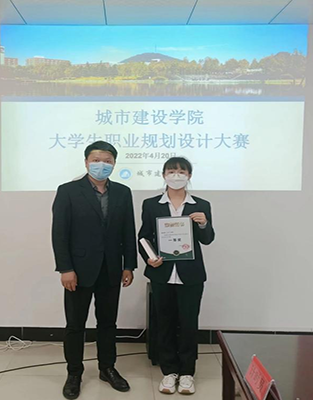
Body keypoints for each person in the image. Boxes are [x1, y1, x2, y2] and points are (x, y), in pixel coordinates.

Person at [52, 141, 137, 400]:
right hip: (78, 270)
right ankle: (74, 373)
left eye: (108, 161)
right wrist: (65, 268)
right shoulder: (68, 191)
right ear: (86, 162)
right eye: (97, 160)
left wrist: (129, 265)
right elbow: (59, 234)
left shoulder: (123, 192)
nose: (102, 164)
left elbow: (128, 231)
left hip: (111, 268)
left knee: (108, 323)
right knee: (75, 325)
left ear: (114, 164)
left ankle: (107, 368)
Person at [138, 157, 215, 395]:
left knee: (189, 323)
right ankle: (169, 372)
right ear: (164, 175)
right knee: (165, 323)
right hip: (162, 273)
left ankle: (187, 373)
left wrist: (203, 224)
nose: (176, 175)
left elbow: (208, 239)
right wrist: (149, 257)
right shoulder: (151, 204)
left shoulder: (201, 204)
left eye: (182, 171)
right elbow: (144, 237)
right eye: (171, 171)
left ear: (189, 176)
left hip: (190, 275)